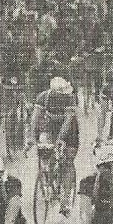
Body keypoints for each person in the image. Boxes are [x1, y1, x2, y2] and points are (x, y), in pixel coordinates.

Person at [30, 76, 80, 215]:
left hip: (70, 129)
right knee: (47, 153)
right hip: (51, 126)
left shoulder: (70, 98)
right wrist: (31, 138)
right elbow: (35, 118)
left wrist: (60, 140)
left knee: (68, 162)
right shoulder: (43, 97)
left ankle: (65, 201)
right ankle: (48, 179)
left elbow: (68, 122)